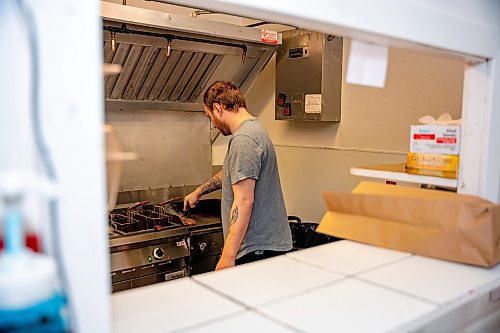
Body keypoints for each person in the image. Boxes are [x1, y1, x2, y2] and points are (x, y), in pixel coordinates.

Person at [184, 80, 292, 270]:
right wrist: (200, 191)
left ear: (218, 108)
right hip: (263, 248)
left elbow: (243, 200)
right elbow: (232, 171)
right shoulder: (254, 129)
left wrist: (228, 257)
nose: (214, 125)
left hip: (256, 250)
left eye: (210, 117)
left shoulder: (244, 140)